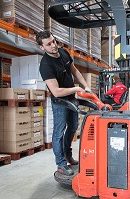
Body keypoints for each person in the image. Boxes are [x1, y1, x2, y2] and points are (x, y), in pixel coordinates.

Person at [36, 30, 91, 176]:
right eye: (49, 44)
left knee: (73, 127)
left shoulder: (63, 52)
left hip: (72, 98)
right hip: (60, 102)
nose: (53, 45)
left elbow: (75, 71)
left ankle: (68, 155)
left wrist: (86, 87)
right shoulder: (46, 65)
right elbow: (56, 92)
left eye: (53, 41)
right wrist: (76, 88)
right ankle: (60, 164)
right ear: (42, 47)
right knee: (59, 132)